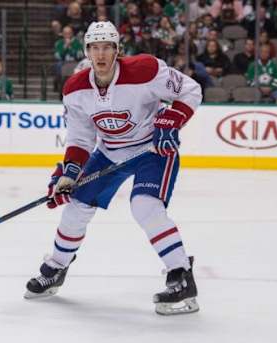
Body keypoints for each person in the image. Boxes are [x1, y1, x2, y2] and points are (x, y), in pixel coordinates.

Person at [24, 21, 202, 316]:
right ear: (87, 52)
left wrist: (172, 120)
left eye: (107, 47)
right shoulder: (75, 89)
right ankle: (56, 268)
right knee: (77, 203)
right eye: (95, 48)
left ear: (117, 50)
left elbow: (190, 90)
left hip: (152, 149)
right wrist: (69, 174)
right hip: (109, 152)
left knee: (145, 206)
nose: (101, 54)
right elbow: (81, 139)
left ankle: (181, 275)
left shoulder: (145, 70)